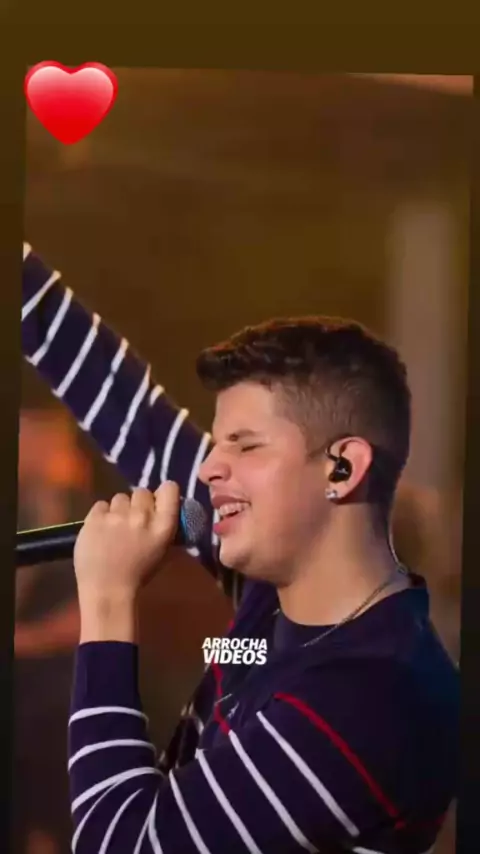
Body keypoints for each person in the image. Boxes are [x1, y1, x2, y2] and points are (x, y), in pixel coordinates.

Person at [21, 243, 458, 854]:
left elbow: (121, 844)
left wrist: (107, 600)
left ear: (341, 468)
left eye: (246, 446)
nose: (208, 467)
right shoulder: (281, 601)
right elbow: (125, 408)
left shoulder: (371, 700)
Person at [14, 409, 93, 854]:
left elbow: (86, 618)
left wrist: (22, 641)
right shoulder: (25, 511)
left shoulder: (90, 514)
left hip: (63, 688)